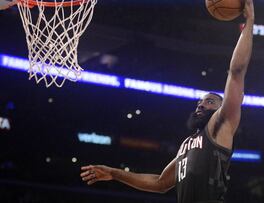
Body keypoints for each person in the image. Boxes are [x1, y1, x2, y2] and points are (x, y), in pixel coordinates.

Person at [80, 0, 254, 202]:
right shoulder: (187, 144)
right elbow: (160, 183)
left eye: (209, 102)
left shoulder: (220, 124)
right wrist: (114, 173)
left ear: (220, 108)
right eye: (200, 101)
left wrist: (249, 23)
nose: (201, 104)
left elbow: (236, 72)